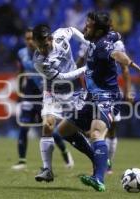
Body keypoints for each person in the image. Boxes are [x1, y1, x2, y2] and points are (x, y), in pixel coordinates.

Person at [57, 11, 140, 192]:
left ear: (97, 31)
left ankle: (98, 178)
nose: (84, 28)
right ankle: (100, 159)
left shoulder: (102, 45)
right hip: (91, 97)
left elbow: (117, 55)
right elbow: (115, 33)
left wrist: (130, 63)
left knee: (97, 134)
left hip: (107, 97)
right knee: (63, 131)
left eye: (88, 26)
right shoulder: (104, 37)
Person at [32, 24, 95, 182]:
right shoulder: (39, 61)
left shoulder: (60, 35)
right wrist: (85, 69)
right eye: (39, 47)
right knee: (47, 125)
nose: (43, 50)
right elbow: (62, 77)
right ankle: (47, 169)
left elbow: (72, 30)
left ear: (51, 39)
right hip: (53, 91)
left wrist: (87, 43)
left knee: (83, 131)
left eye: (45, 45)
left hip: (74, 91)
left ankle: (97, 159)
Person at [11, 28, 74, 171]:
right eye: (26, 39)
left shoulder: (45, 53)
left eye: (30, 39)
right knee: (24, 125)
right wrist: (19, 92)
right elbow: (21, 72)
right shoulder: (21, 54)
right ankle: (21, 161)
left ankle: (65, 154)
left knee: (48, 128)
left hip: (45, 94)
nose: (29, 42)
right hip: (29, 93)